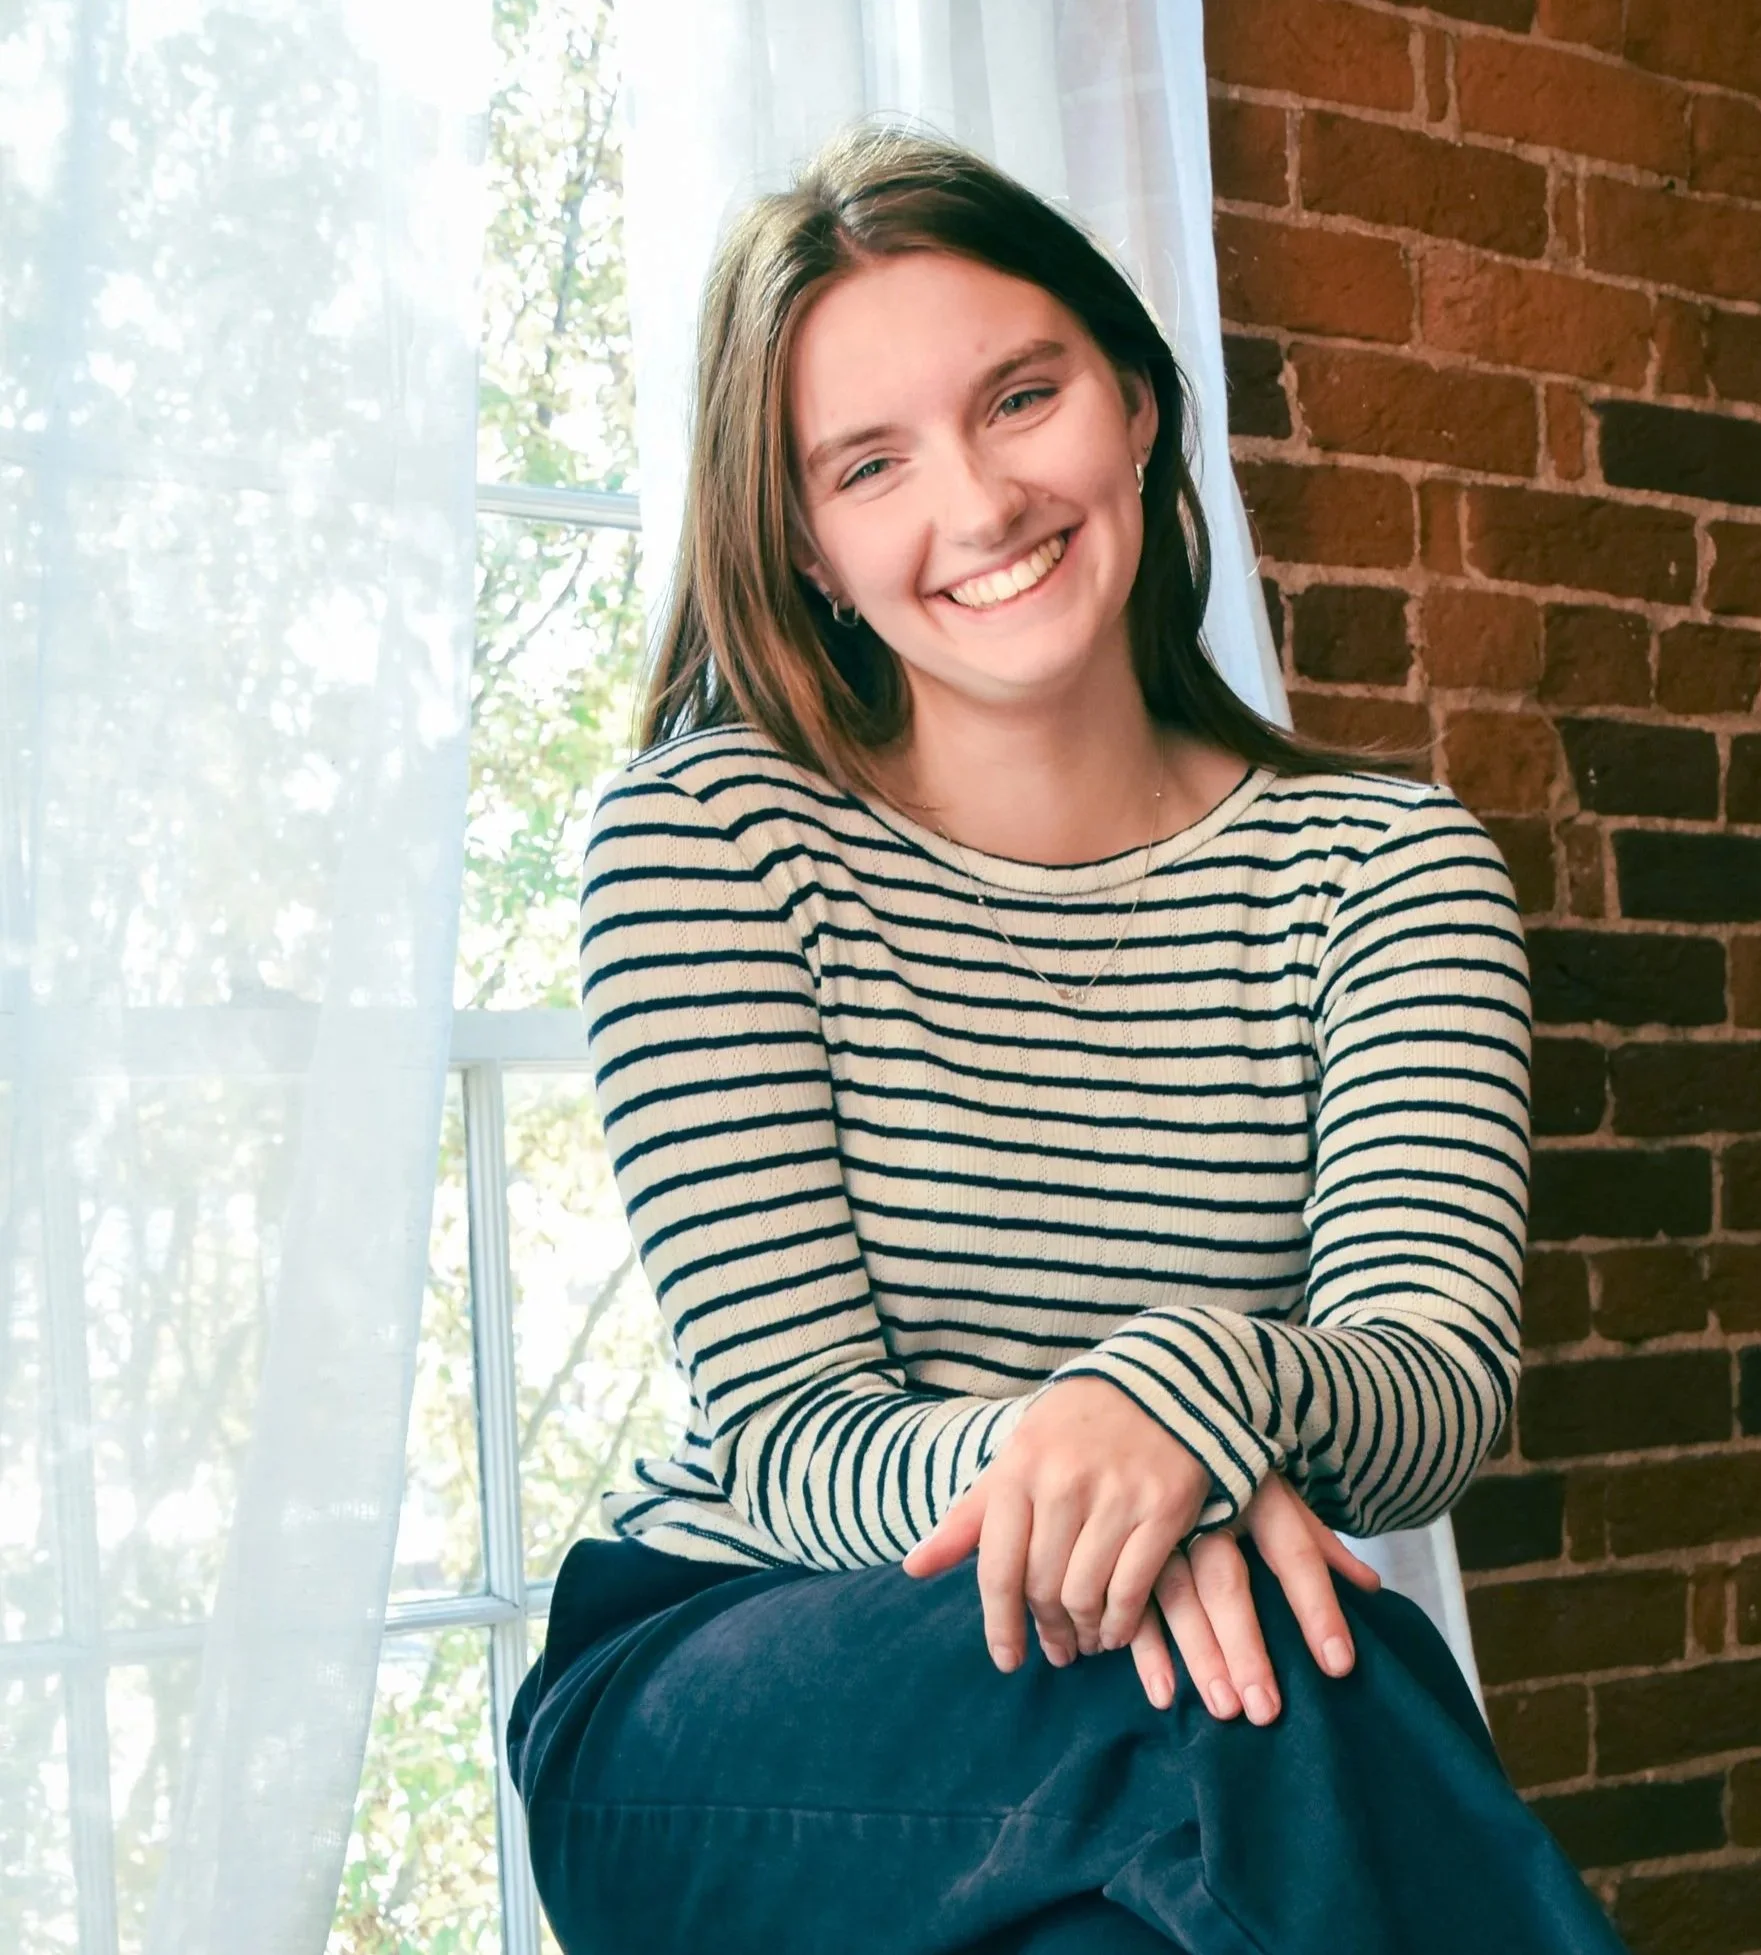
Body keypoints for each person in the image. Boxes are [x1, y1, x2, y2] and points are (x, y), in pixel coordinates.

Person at [506, 120, 1629, 1955]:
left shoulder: (1384, 869)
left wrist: (1186, 1392)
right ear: (802, 541)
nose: (977, 502)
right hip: (737, 1691)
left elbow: (1429, 1391)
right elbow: (793, 1437)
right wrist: (1113, 1486)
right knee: (1269, 1677)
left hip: (1175, 1707)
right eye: (869, 463)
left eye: (1019, 398)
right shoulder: (706, 838)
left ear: (1131, 403)